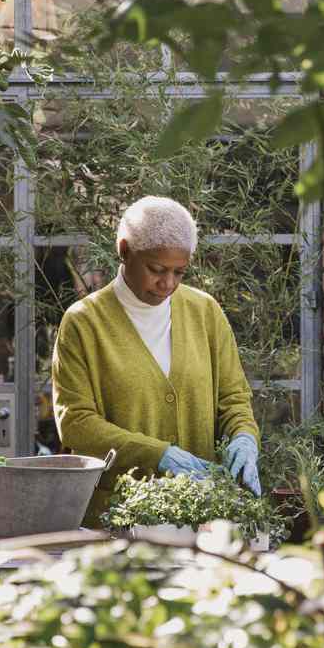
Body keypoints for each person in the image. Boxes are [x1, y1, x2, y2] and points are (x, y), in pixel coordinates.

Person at [50, 196, 262, 523]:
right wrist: (158, 455)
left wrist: (244, 437)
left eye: (179, 272)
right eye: (156, 269)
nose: (168, 284)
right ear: (124, 250)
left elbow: (233, 399)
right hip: (118, 518)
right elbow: (76, 425)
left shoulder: (205, 312)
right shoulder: (84, 322)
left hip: (201, 517)